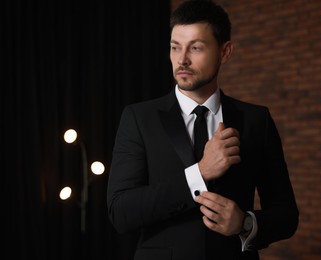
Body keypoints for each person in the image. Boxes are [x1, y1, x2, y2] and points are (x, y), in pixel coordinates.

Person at [107, 0, 299, 259]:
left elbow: (286, 214)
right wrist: (200, 172)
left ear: (225, 51)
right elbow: (121, 213)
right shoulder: (139, 118)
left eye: (195, 48)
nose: (182, 60)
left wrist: (245, 224)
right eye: (175, 47)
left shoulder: (257, 119)